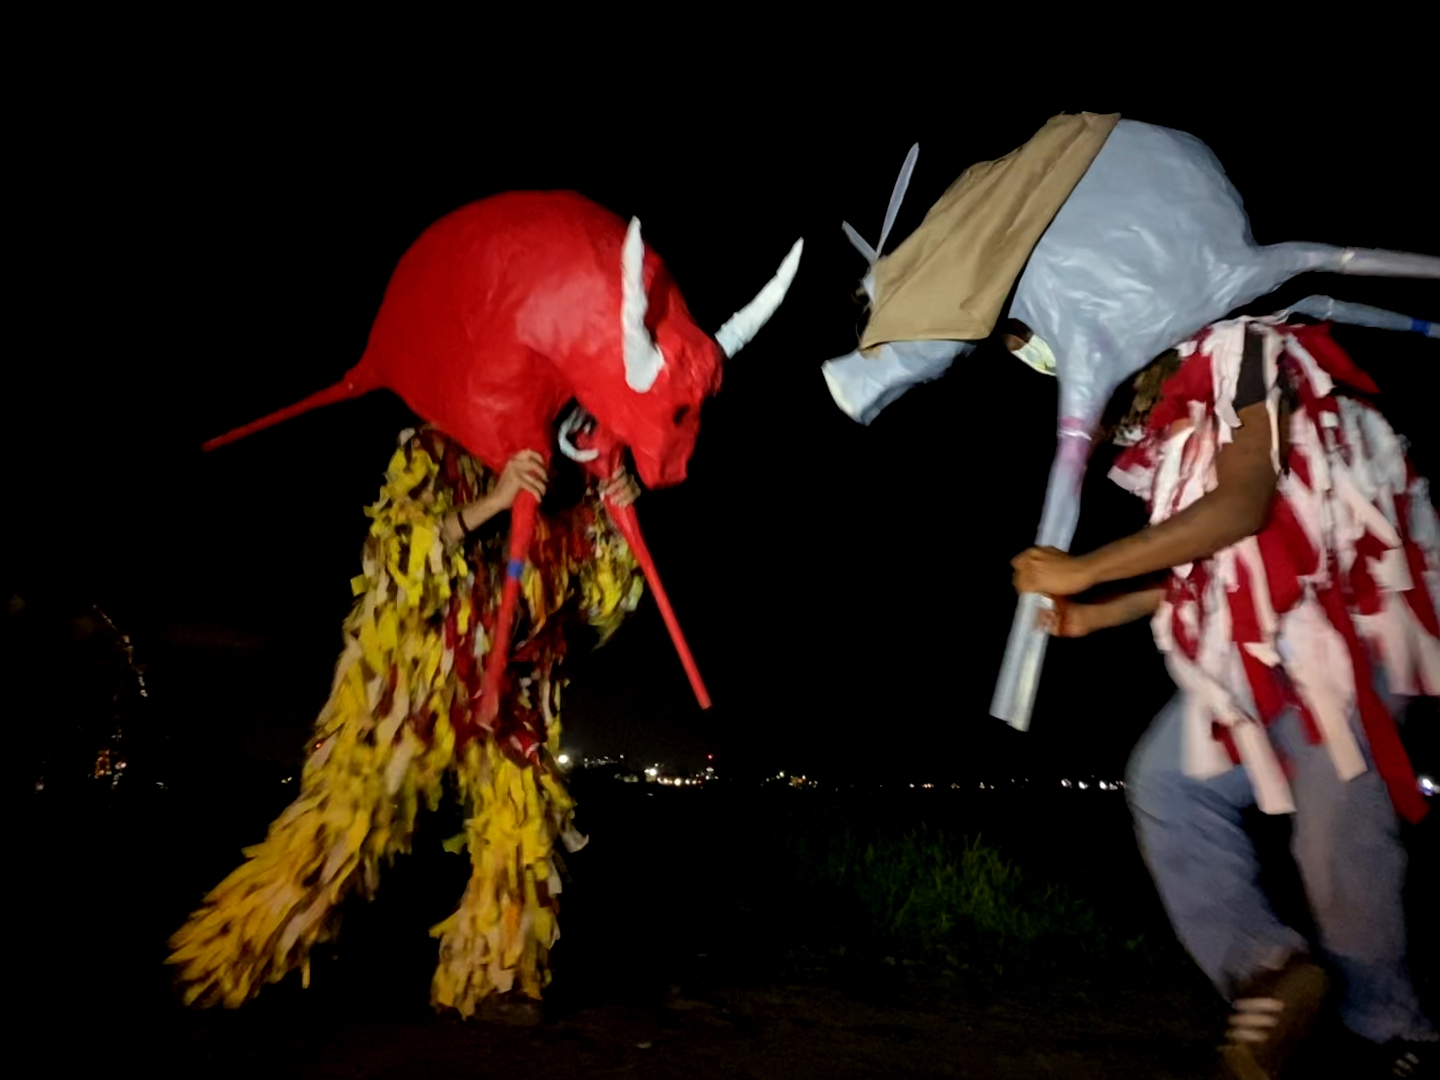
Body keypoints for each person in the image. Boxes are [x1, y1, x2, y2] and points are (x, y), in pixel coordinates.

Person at [1012, 316, 1438, 1079]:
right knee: (1168, 784)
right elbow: (1213, 561)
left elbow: (1242, 506)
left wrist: (1085, 571)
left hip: (1341, 631)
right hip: (1254, 652)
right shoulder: (1178, 423)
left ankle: (1391, 1032)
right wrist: (1096, 613)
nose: (1111, 423)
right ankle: (1273, 973)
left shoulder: (1247, 350)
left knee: (1335, 832)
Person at [168, 426, 644, 1024]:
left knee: (522, 826)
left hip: (516, 688)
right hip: (412, 678)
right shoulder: (434, 449)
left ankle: (495, 979)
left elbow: (601, 610)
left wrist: (614, 518)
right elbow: (391, 555)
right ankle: (222, 962)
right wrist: (492, 504)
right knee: (344, 826)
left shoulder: (574, 489)